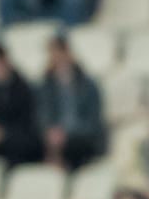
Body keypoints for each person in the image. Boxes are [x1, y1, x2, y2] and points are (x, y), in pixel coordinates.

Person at [35, 36, 108, 170]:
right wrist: (50, 131)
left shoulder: (88, 85)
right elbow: (42, 114)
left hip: (81, 138)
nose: (56, 58)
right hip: (55, 138)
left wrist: (66, 134)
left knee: (75, 146)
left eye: (59, 53)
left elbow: (93, 122)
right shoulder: (46, 85)